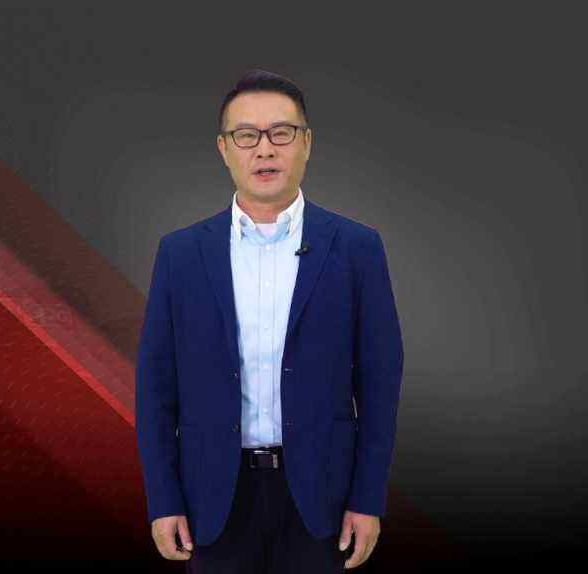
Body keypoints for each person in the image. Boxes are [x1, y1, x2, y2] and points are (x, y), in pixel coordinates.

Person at [135, 69, 404, 573]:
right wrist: (163, 500)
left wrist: (368, 499)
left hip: (322, 497)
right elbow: (155, 388)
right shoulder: (181, 254)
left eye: (281, 133)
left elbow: (380, 385)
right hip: (212, 497)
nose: (265, 149)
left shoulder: (356, 248)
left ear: (307, 143)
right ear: (224, 149)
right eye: (246, 135)